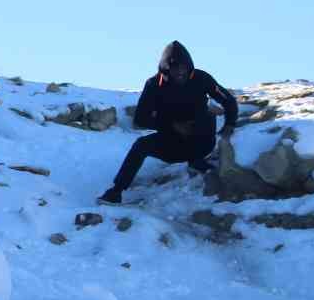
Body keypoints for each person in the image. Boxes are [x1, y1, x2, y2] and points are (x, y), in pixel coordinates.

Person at [99, 41, 238, 204]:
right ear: (166, 68)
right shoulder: (154, 85)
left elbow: (228, 101)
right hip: (172, 143)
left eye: (183, 67)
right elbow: (140, 118)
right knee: (140, 145)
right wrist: (172, 125)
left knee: (206, 116)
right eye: (175, 67)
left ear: (189, 67)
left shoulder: (201, 78)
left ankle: (197, 161)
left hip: (202, 140)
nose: (180, 72)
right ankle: (116, 192)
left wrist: (229, 125)